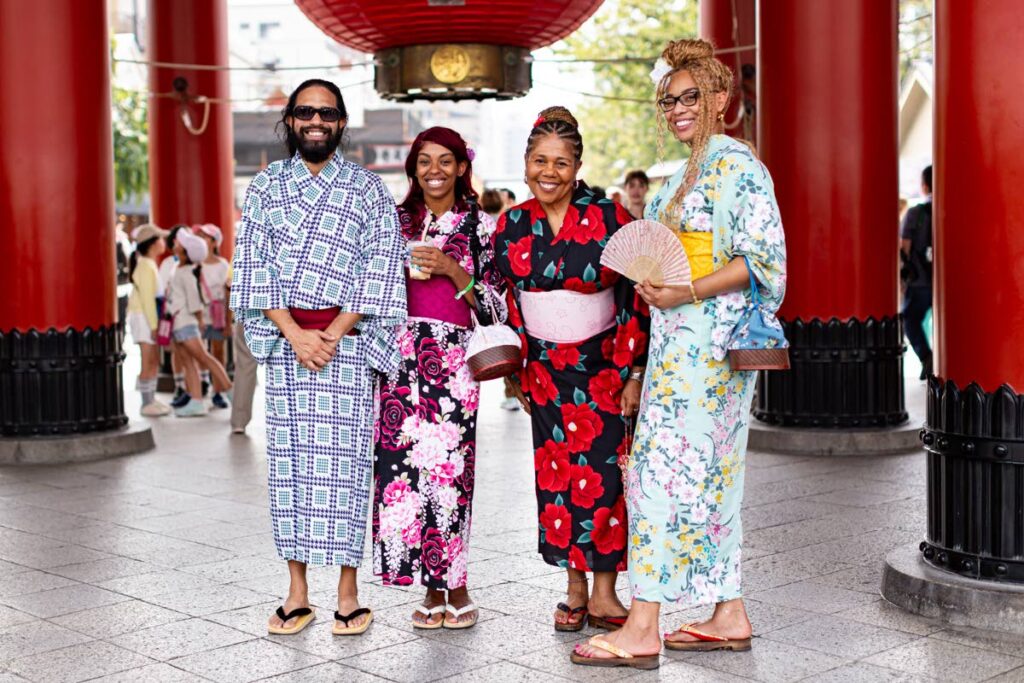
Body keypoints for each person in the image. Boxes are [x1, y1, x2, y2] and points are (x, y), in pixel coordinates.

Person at [572, 39, 786, 669]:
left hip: (711, 351)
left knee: (661, 479)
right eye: (668, 100)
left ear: (721, 98)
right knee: (713, 477)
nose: (678, 108)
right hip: (674, 345)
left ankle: (643, 625)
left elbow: (760, 260)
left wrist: (688, 287)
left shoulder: (739, 166)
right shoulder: (678, 175)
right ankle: (728, 611)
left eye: (691, 96)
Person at [230, 78, 407, 638]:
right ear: (290, 119)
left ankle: (348, 591)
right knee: (289, 469)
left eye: (326, 113)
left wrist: (330, 333)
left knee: (351, 470)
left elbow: (382, 266)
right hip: (287, 345)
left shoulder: (367, 189)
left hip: (346, 344)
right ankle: (297, 589)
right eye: (305, 112)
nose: (315, 121)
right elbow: (253, 265)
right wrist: (294, 334)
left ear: (340, 122)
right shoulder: (264, 187)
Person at [494, 106, 650, 633]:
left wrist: (633, 374)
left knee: (604, 479)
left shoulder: (610, 218)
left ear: (577, 166)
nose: (549, 172)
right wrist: (516, 365)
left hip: (602, 369)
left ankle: (605, 592)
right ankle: (573, 588)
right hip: (543, 371)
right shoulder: (512, 223)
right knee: (558, 480)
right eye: (540, 160)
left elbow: (635, 296)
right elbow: (503, 297)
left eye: (561, 163)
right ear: (526, 162)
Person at [373, 127, 506, 630]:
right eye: (424, 161)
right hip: (401, 359)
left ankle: (458, 582)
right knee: (404, 475)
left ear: (461, 168)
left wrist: (454, 269)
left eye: (445, 161)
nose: (434, 170)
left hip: (452, 360)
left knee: (450, 472)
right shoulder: (394, 221)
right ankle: (429, 588)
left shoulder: (479, 226)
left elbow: (496, 304)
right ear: (412, 168)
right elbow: (374, 290)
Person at [167, 231, 234, 417]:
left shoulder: (186, 272)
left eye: (180, 243)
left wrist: (199, 320)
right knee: (189, 362)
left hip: (186, 322)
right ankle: (196, 400)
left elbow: (194, 300)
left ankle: (230, 390)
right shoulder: (179, 268)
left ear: (186, 251)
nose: (176, 243)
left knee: (204, 358)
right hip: (179, 322)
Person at [126, 223, 171, 416]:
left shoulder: (148, 264)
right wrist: (154, 325)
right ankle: (146, 403)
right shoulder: (145, 266)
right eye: (160, 238)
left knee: (152, 359)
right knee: (147, 359)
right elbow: (147, 298)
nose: (163, 242)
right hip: (143, 316)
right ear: (152, 244)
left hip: (147, 316)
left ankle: (151, 399)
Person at [195, 223, 233, 408]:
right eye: (200, 236)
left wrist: (228, 321)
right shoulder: (195, 264)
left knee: (218, 352)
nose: (202, 239)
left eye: (206, 236)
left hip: (217, 315)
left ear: (214, 242)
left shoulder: (223, 265)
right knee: (200, 352)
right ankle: (203, 385)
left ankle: (218, 391)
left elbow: (228, 294)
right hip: (198, 314)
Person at [900, 166, 933, 379]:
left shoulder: (916, 213)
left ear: (924, 185)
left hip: (921, 280)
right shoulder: (955, 207)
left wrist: (903, 277)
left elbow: (905, 247)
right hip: (949, 283)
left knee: (910, 320)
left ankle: (927, 357)